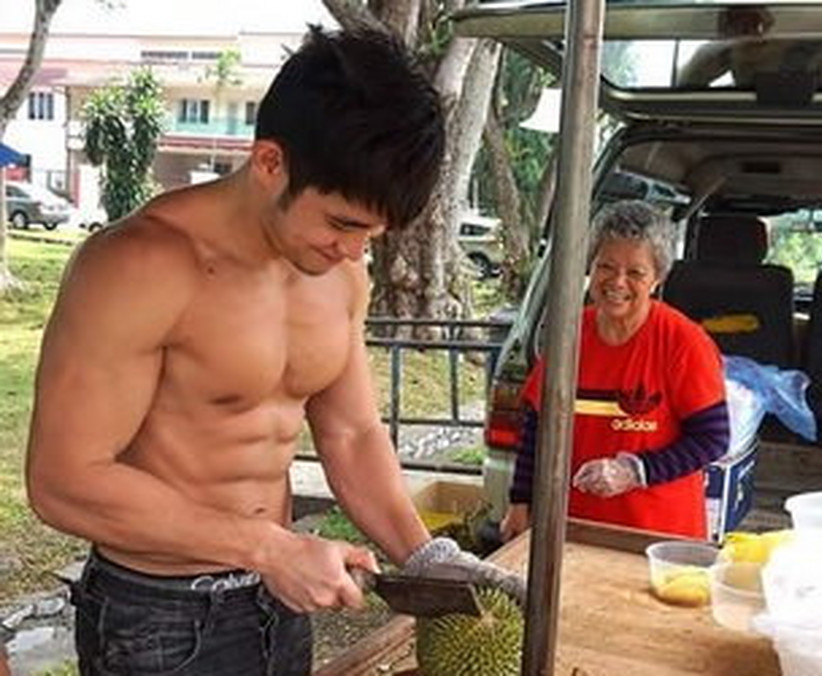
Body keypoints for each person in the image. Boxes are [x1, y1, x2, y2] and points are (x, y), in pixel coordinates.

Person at [25, 26, 523, 676]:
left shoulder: (339, 272)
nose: (354, 251)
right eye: (343, 224)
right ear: (269, 164)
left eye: (373, 233)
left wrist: (421, 552)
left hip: (278, 600)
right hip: (160, 618)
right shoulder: (138, 267)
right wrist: (265, 547)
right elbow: (63, 480)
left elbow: (350, 431)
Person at [500, 201, 730, 541]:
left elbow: (712, 439)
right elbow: (538, 424)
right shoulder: (571, 333)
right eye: (606, 266)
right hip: (571, 529)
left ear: (657, 278)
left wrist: (635, 471)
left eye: (636, 272)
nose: (617, 282)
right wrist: (519, 502)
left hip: (657, 537)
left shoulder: (685, 343)